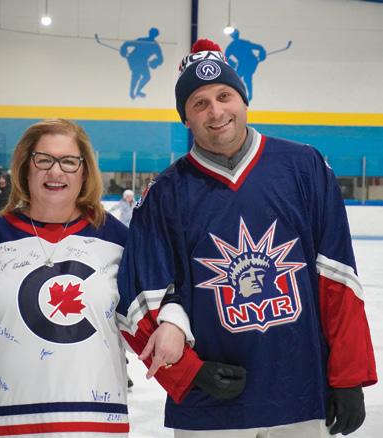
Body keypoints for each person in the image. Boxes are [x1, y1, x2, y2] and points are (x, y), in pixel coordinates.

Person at [118, 39, 377, 437]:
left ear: (244, 99)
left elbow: (338, 278)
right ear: (185, 119)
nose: (216, 111)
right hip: (210, 406)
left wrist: (348, 376)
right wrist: (189, 372)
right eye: (199, 103)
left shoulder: (304, 167)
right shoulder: (165, 194)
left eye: (224, 96)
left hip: (300, 394)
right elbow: (138, 298)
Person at [0, 119, 187, 436]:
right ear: (25, 168)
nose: (56, 172)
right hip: (6, 427)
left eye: (69, 161)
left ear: (84, 171)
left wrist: (176, 323)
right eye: (43, 160)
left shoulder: (118, 241)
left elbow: (157, 311)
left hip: (94, 428)